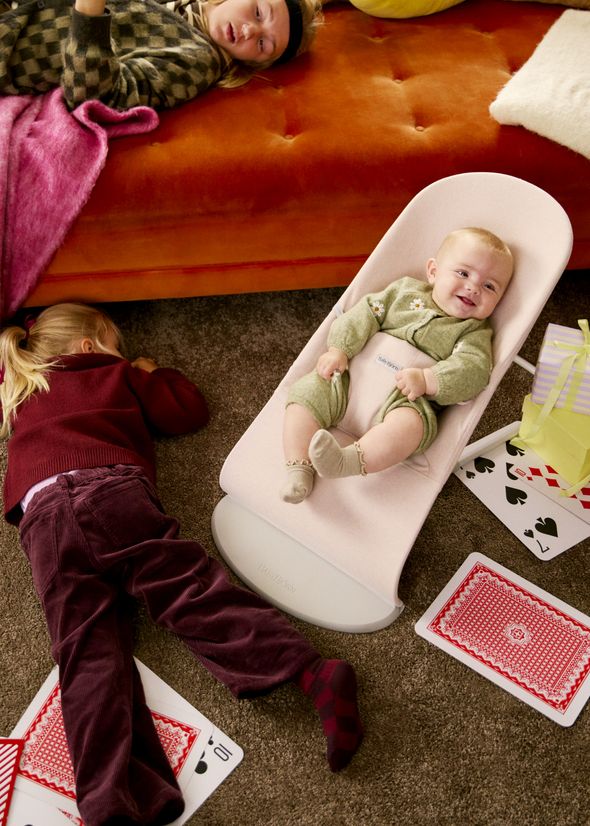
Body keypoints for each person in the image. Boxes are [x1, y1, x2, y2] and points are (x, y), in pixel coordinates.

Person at [0, 303, 363, 826]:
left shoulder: (20, 387)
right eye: (114, 344)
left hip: (45, 522)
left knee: (86, 654)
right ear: (88, 348)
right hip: (110, 491)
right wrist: (151, 371)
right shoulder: (114, 372)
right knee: (188, 592)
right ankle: (310, 674)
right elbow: (187, 412)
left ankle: (109, 799)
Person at [281, 226, 514, 503]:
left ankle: (345, 462)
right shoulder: (404, 292)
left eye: (489, 286)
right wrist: (339, 349)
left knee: (409, 429)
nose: (473, 287)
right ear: (433, 271)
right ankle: (299, 469)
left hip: (403, 401)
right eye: (463, 273)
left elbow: (473, 371)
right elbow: (366, 311)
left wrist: (429, 379)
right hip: (347, 380)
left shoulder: (473, 333)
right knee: (304, 396)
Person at [0, 0, 322, 110]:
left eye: (264, 44)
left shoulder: (196, 62)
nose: (252, 31)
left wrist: (89, 8)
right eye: (257, 11)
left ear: (255, 62)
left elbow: (94, 97)